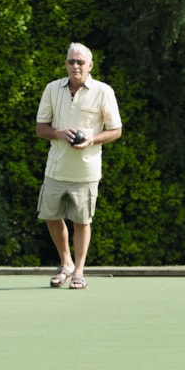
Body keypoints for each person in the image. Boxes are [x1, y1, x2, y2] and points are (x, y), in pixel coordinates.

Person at [35, 42, 122, 290]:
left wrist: (92, 139)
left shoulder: (104, 91)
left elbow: (116, 130)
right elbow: (41, 128)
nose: (75, 66)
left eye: (80, 62)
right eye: (71, 61)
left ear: (90, 66)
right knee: (51, 216)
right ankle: (66, 262)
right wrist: (60, 133)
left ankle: (79, 271)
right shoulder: (52, 89)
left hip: (86, 171)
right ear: (66, 64)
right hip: (56, 169)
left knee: (82, 222)